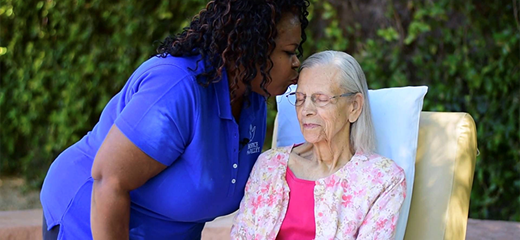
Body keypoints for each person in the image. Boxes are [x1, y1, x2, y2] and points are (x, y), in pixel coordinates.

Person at [39, 0, 310, 239]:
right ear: (250, 51)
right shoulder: (177, 88)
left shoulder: (253, 98)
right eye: (289, 52)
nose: (297, 62)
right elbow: (109, 182)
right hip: (89, 218)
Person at [230, 50, 406, 240]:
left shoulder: (382, 179)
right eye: (300, 99)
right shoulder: (269, 165)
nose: (306, 110)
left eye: (321, 99)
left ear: (354, 106)